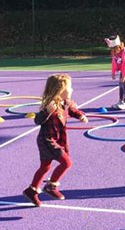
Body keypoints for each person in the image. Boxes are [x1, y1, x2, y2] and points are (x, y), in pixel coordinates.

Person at [23, 74, 88, 207]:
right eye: (69, 87)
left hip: (58, 138)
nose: (72, 89)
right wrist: (47, 112)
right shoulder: (51, 105)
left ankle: (31, 190)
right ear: (60, 89)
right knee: (66, 163)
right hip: (47, 140)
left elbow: (72, 110)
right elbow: (37, 120)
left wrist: (80, 115)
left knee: (45, 167)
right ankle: (51, 186)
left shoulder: (65, 102)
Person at [105, 35, 125, 110]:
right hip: (122, 70)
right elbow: (114, 62)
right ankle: (120, 101)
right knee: (120, 85)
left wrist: (124, 76)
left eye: (114, 48)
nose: (113, 50)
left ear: (117, 46)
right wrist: (113, 72)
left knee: (124, 85)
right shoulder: (114, 51)